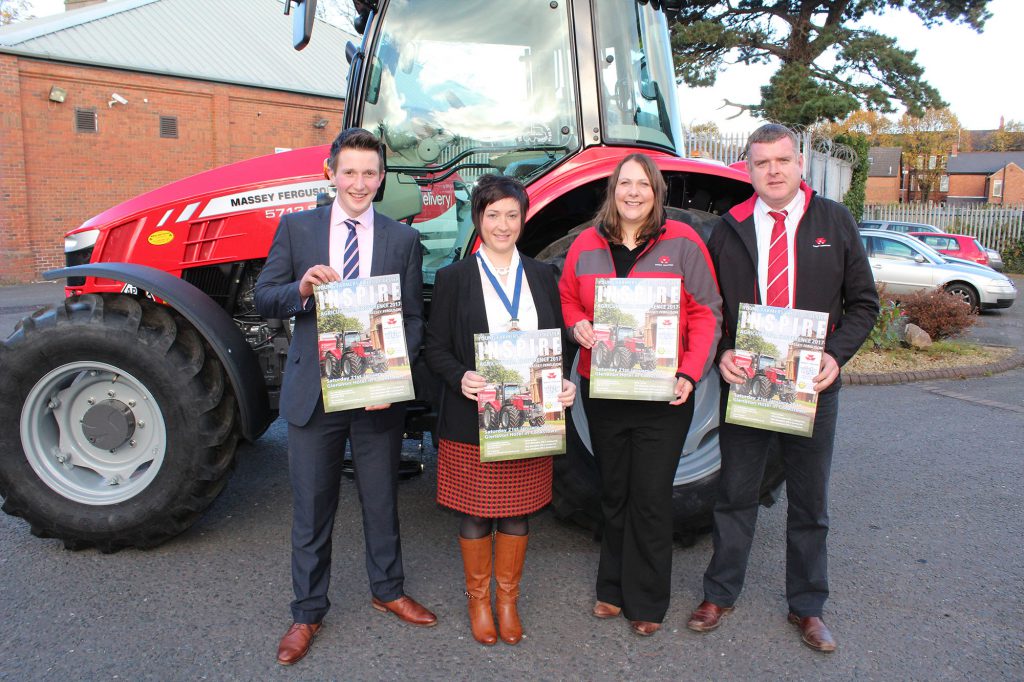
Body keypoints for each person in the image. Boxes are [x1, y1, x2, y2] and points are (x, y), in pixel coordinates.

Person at [686, 123, 879, 653]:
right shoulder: (729, 227)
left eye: (782, 160)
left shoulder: (834, 221)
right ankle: (719, 593)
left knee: (810, 501)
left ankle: (808, 606)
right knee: (734, 495)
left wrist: (836, 360)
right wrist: (723, 352)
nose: (773, 170)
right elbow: (713, 308)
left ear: (799, 165)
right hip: (749, 385)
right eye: (762, 162)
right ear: (749, 170)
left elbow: (864, 304)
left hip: (812, 387)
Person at [255, 128, 436, 666]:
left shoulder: (402, 240)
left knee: (382, 501)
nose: (359, 183)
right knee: (312, 509)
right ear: (330, 172)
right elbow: (265, 297)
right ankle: (307, 612)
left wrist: (391, 378)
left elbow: (412, 320)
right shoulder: (297, 230)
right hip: (316, 394)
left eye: (369, 173)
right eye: (350, 171)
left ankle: (388, 591)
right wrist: (302, 290)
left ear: (381, 180)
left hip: (375, 393)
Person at [559, 153, 722, 637]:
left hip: (663, 396)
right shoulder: (586, 244)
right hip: (603, 390)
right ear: (613, 191)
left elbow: (707, 312)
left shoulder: (684, 242)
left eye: (642, 185)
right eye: (624, 184)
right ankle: (611, 589)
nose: (632, 193)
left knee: (650, 497)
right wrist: (576, 324)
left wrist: (690, 374)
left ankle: (647, 599)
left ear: (656, 192)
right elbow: (569, 296)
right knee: (614, 491)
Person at [424, 174, 576, 646]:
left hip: (529, 417)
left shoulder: (543, 275)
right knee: (475, 513)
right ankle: (478, 601)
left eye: (512, 215)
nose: (503, 224)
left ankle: (507, 600)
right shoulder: (454, 278)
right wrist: (460, 377)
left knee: (517, 513)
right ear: (479, 219)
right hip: (474, 419)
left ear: (523, 218)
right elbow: (434, 347)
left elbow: (560, 343)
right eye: (493, 215)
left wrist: (564, 382)